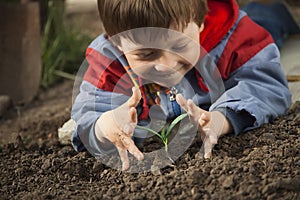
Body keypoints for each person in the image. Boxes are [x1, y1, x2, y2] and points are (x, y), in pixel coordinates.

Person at [71, 0, 293, 171]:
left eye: (180, 45)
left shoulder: (234, 40)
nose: (166, 65)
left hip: (252, 29)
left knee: (266, 22)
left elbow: (265, 84)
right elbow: (90, 110)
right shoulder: (109, 63)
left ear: (200, 22)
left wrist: (222, 119)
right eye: (146, 54)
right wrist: (104, 126)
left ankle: (273, 11)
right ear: (116, 40)